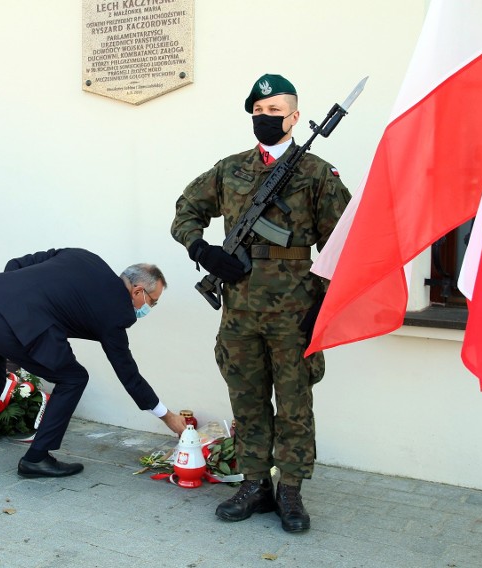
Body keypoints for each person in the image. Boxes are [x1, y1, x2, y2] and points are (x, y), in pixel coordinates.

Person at [170, 74, 351, 532]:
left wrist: (321, 309)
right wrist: (202, 249)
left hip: (295, 312)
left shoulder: (316, 174)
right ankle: (254, 484)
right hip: (240, 312)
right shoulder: (230, 170)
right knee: (247, 401)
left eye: (275, 111)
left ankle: (290, 489)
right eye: (259, 110)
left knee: (294, 404)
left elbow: (344, 248)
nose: (265, 118)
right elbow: (186, 209)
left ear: (294, 117)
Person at [0, 248, 188, 479]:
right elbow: (128, 373)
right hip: (15, 326)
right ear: (138, 291)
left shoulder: (84, 257)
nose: (149, 308)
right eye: (152, 302)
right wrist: (167, 416)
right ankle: (36, 458)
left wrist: (14, 300)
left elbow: (16, 264)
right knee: (74, 378)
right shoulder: (116, 312)